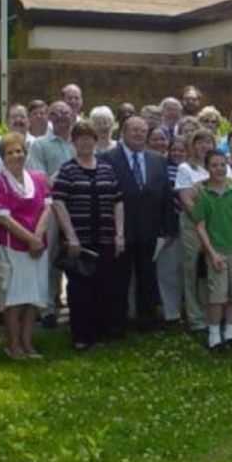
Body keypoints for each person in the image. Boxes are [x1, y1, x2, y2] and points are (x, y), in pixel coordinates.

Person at [53, 121, 125, 349]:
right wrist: (70, 236)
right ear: (73, 142)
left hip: (105, 238)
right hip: (79, 242)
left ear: (96, 141)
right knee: (79, 291)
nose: (85, 142)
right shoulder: (67, 170)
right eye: (80, 138)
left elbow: (118, 202)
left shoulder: (106, 168)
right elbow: (58, 203)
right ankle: (81, 337)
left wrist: (119, 234)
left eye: (89, 138)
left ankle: (101, 333)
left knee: (104, 288)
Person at [100, 115, 170, 332]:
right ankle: (116, 323)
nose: (139, 134)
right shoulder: (107, 159)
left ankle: (146, 320)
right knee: (119, 279)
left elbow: (166, 196)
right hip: (120, 231)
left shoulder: (157, 160)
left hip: (149, 231)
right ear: (123, 133)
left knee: (147, 278)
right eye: (134, 130)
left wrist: (167, 229)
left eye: (143, 130)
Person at [0, 132, 51, 359]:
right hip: (12, 249)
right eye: (10, 152)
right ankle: (13, 345)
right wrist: (30, 239)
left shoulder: (38, 178)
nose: (16, 155)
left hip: (37, 249)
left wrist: (38, 237)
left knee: (32, 300)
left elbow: (48, 207)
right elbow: (3, 218)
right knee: (14, 300)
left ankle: (28, 344)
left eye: (19, 151)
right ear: (3, 157)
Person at [193, 151, 232, 351]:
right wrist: (211, 253)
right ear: (207, 168)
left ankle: (229, 333)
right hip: (217, 252)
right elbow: (200, 226)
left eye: (222, 165)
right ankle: (213, 335)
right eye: (214, 165)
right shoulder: (203, 194)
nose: (219, 169)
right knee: (217, 296)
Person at [27, 100, 76, 328]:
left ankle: (75, 303)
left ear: (72, 115)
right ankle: (47, 308)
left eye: (65, 113)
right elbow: (37, 177)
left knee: (77, 256)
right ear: (49, 117)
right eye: (55, 113)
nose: (61, 117)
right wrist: (62, 176)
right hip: (53, 206)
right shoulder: (40, 144)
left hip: (79, 206)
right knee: (52, 257)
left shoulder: (80, 142)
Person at [176, 128, 217, 333]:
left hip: (216, 227)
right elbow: (186, 200)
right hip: (193, 225)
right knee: (192, 270)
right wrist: (201, 219)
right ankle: (195, 318)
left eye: (208, 142)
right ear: (192, 146)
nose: (204, 146)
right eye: (200, 142)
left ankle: (212, 314)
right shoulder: (186, 169)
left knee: (211, 270)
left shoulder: (217, 166)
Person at [156, 137, 188, 327]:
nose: (177, 153)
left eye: (181, 150)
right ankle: (171, 313)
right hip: (168, 227)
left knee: (188, 271)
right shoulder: (161, 169)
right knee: (167, 272)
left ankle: (189, 310)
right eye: (173, 150)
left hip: (192, 226)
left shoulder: (195, 169)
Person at [0, 104, 34, 177]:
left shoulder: (36, 144)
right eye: (14, 117)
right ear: (7, 122)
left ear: (29, 121)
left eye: (22, 117)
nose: (18, 120)